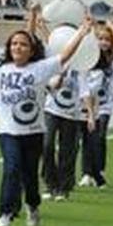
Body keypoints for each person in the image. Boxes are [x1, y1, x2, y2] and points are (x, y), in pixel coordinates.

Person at [0, 12, 94, 226]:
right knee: (11, 168)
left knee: (29, 174)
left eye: (23, 45)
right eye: (14, 44)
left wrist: (82, 32)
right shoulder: (0, 69)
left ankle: (32, 205)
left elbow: (65, 56)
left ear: (31, 50)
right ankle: (5, 213)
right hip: (7, 130)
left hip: (33, 131)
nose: (18, 48)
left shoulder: (40, 68)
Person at [42, 54, 85, 200]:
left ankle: (63, 187)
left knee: (66, 150)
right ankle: (50, 183)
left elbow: (84, 90)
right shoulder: (55, 62)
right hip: (51, 109)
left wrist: (89, 113)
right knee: (47, 145)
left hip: (71, 113)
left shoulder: (82, 65)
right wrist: (61, 74)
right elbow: (50, 86)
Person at [79, 27, 113, 188]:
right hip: (87, 105)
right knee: (88, 138)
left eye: (107, 39)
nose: (104, 42)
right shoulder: (88, 59)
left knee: (99, 137)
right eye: (100, 39)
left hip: (104, 104)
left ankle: (98, 170)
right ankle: (87, 172)